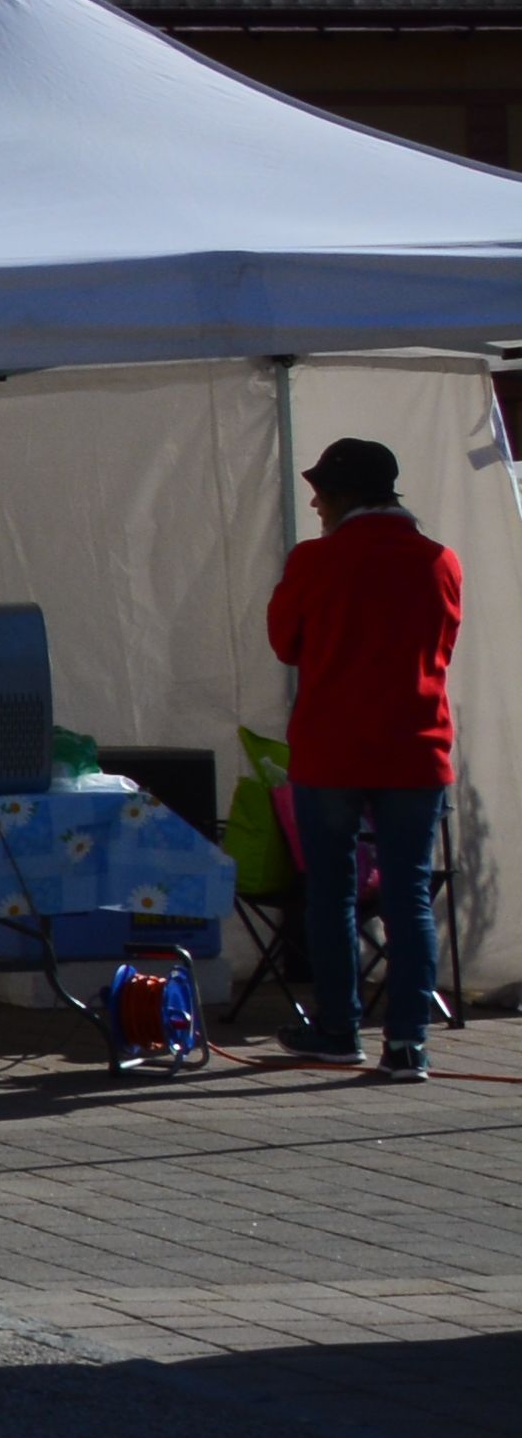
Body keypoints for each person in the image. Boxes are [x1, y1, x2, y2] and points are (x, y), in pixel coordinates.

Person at [266, 433, 462, 1079]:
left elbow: (284, 643)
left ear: (344, 494)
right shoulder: (440, 562)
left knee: (332, 892)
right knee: (408, 896)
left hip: (334, 749)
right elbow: (442, 649)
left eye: (321, 489)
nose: (314, 500)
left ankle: (339, 1027)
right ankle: (408, 1043)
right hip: (416, 746)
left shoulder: (315, 562)